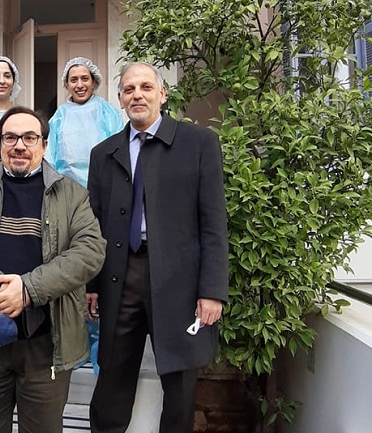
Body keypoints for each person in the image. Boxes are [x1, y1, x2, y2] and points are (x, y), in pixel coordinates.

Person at [0, 106, 106, 433]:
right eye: (10, 137)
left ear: (44, 144)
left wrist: (28, 289)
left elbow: (90, 251)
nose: (19, 146)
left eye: (29, 137)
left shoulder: (72, 194)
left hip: (45, 348)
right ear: (0, 142)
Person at [87, 62, 229, 433]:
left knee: (180, 387)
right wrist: (92, 284)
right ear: (120, 99)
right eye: (129, 89)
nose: (138, 95)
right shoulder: (103, 153)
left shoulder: (198, 144)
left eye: (146, 87)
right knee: (111, 379)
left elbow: (213, 222)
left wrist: (212, 291)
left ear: (162, 94)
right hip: (121, 275)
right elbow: (94, 225)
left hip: (180, 281)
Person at [45, 56, 123, 187]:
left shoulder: (106, 111)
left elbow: (119, 148)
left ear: (94, 81)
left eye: (85, 78)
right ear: (67, 84)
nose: (80, 85)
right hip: (66, 188)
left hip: (102, 185)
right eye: (73, 80)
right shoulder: (59, 116)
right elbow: (49, 156)